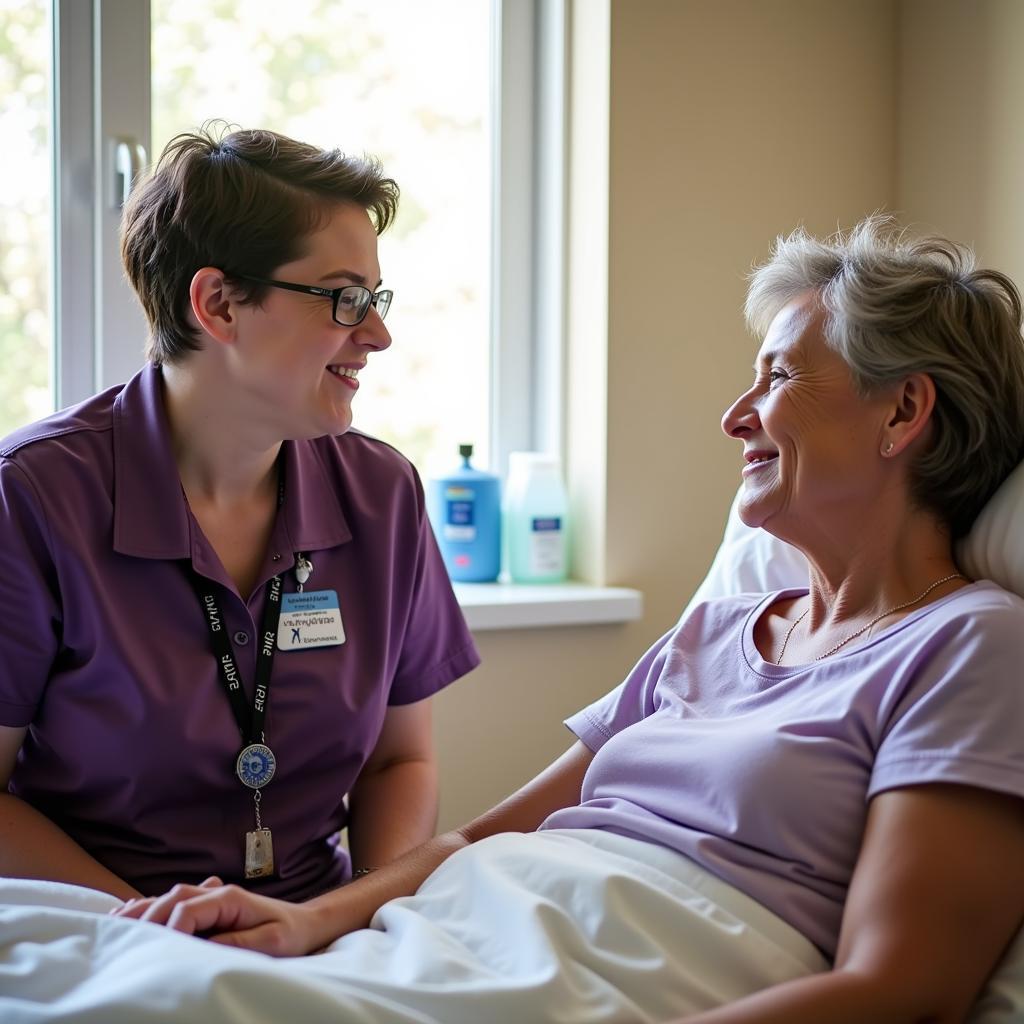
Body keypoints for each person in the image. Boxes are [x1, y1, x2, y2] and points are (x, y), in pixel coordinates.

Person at [116, 217, 1024, 1023]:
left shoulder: (970, 647)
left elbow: (901, 988)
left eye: (778, 377)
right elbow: (478, 837)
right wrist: (302, 923)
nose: (733, 416)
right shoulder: (714, 633)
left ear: (903, 410)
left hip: (601, 975)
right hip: (452, 937)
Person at [0, 125, 480, 904]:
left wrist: (354, 914)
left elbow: (400, 762)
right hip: (98, 924)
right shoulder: (32, 497)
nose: (379, 334)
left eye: (375, 298)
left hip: (318, 922)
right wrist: (151, 926)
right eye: (344, 298)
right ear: (219, 304)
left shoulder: (383, 494)